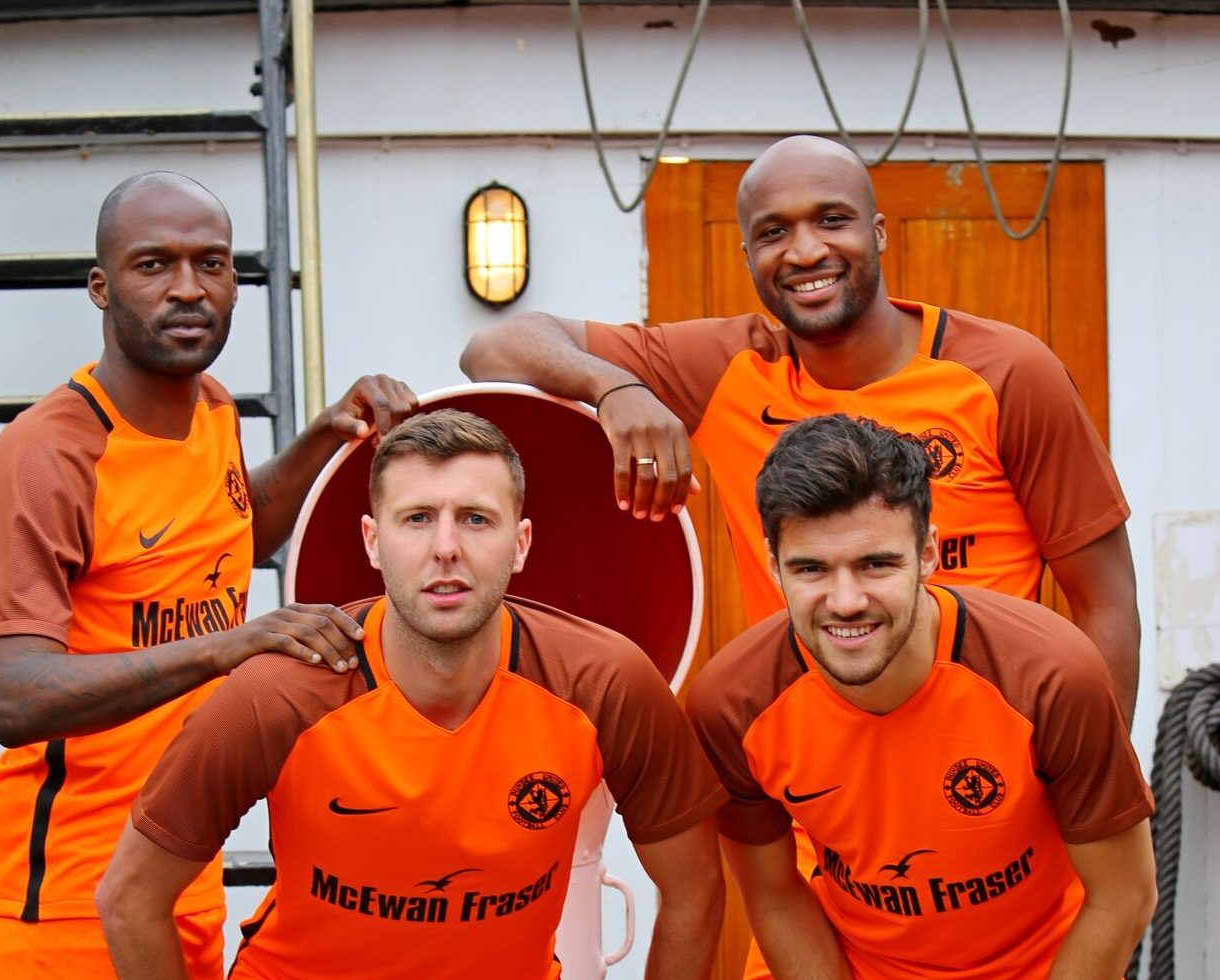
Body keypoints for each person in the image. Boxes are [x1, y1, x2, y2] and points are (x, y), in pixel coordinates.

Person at [459, 134, 1138, 722]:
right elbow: (496, 346)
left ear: (877, 232)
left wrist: (1092, 787)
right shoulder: (728, 367)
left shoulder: (1004, 372)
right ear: (747, 250)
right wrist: (614, 385)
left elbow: (1104, 602)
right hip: (820, 783)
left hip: (991, 768)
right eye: (774, 232)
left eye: (831, 220)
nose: (804, 250)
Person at [96, 409, 728, 980]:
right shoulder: (276, 696)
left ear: (521, 543)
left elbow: (696, 888)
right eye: (418, 518)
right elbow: (129, 898)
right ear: (373, 541)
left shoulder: (604, 683)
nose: (446, 547)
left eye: (477, 519)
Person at [0, 171, 420, 980]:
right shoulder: (47, 456)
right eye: (153, 265)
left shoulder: (212, 408)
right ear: (101, 288)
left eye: (211, 264)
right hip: (69, 897)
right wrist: (230, 647)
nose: (187, 288)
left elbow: (230, 535)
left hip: (177, 864)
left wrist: (328, 432)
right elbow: (14, 697)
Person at [686, 415, 1156, 980]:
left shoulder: (1049, 676)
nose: (847, 601)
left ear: (929, 553)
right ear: (773, 564)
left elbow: (1124, 896)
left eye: (876, 564)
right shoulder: (732, 706)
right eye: (811, 569)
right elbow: (776, 896)